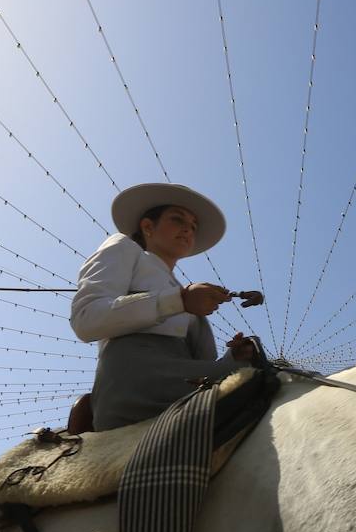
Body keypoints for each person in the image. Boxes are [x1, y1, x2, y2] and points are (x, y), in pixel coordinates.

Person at [71, 183, 257, 431]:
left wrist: (232, 357)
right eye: (178, 219)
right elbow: (86, 320)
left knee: (262, 376)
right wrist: (179, 300)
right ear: (148, 226)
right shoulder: (123, 247)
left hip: (183, 377)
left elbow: (200, 362)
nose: (188, 230)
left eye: (193, 226)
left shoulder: (179, 285)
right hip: (134, 381)